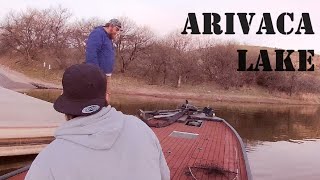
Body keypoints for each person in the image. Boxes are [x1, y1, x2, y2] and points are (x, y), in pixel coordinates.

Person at [25, 64, 170, 180]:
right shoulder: (141, 129)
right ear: (107, 97)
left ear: (63, 99)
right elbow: (164, 175)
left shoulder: (47, 160)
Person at [85, 18, 122, 103]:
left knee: (106, 96)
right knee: (97, 97)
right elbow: (91, 52)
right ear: (111, 26)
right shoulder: (98, 33)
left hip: (106, 73)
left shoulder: (108, 38)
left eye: (119, 30)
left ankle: (102, 114)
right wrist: (95, 72)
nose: (117, 32)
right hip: (98, 73)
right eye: (117, 29)